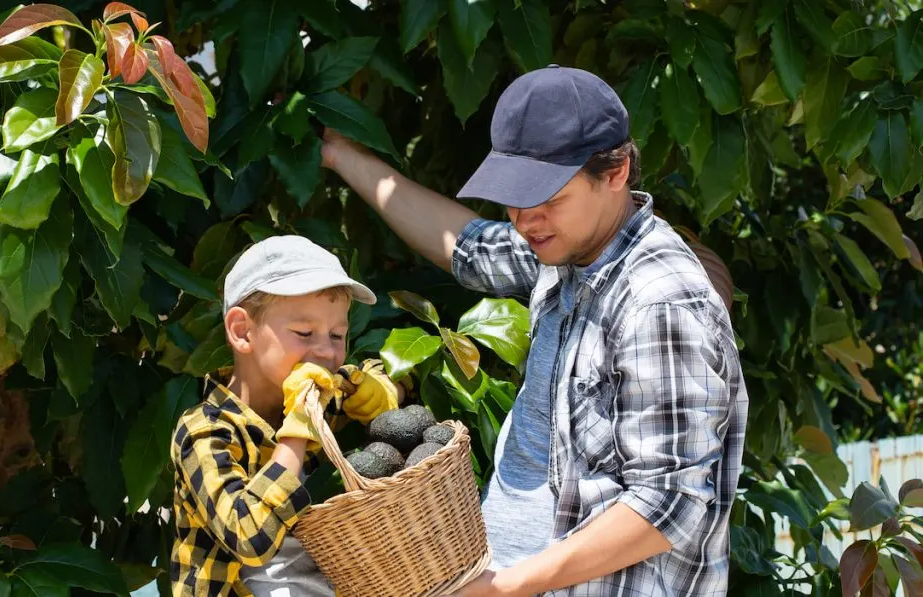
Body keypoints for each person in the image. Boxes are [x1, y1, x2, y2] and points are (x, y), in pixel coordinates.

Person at [320, 65, 749, 596]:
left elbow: (669, 504)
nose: (526, 221)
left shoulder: (658, 301)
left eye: (547, 198)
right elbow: (469, 248)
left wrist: (507, 587)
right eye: (513, 198)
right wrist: (341, 154)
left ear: (616, 172)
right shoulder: (566, 248)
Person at [169, 235, 401, 597]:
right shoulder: (205, 431)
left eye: (338, 334)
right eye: (305, 333)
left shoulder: (324, 392)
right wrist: (298, 428)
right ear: (242, 331)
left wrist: (378, 390)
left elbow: (385, 376)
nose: (325, 351)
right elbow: (247, 534)